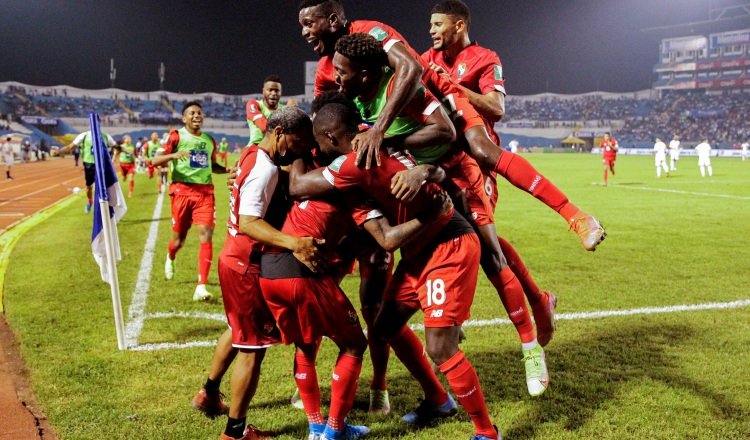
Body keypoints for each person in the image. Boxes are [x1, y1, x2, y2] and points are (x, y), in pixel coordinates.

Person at [333, 35, 549, 395]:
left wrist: (385, 139)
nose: (433, 31)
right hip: (426, 181)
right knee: (413, 268)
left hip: (457, 169)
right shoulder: (363, 97)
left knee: (489, 251)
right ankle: (433, 378)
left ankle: (530, 347)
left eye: (439, 23)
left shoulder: (407, 86)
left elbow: (448, 132)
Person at [298, 0, 605, 252]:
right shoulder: (327, 70)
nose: (304, 32)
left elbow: (412, 67)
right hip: (406, 125)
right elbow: (327, 118)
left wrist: (379, 130)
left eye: (309, 23)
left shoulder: (370, 31)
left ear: (334, 20)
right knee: (475, 234)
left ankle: (576, 216)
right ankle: (533, 304)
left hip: (436, 94)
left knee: (483, 150)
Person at [289, 101, 500, 440]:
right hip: (419, 248)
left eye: (318, 140)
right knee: (385, 324)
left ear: (329, 135)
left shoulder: (351, 162)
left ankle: (487, 433)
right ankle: (438, 400)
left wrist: (296, 148)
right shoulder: (379, 138)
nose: (317, 147)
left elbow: (298, 186)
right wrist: (426, 171)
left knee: (440, 347)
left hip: (448, 243)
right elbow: (439, 172)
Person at [422, 0, 560, 346]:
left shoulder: (486, 58)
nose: (432, 31)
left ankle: (536, 306)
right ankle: (455, 312)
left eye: (439, 24)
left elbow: (496, 108)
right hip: (441, 161)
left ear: (459, 26)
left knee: (484, 245)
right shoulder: (427, 59)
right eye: (431, 24)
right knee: (436, 235)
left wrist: (452, 87)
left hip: (477, 161)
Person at [205, 107, 321, 440]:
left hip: (232, 259)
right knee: (253, 350)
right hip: (245, 265)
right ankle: (236, 432)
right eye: (297, 141)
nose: (298, 149)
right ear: (280, 132)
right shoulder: (263, 169)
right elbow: (249, 222)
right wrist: (294, 242)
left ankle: (209, 393)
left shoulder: (253, 154)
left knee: (238, 331)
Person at [151, 101, 227, 302]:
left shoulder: (210, 140)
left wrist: (227, 170)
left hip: (205, 194)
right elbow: (155, 161)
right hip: (181, 192)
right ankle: (171, 256)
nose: (196, 116)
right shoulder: (176, 136)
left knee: (206, 234)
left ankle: (201, 286)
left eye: (199, 113)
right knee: (178, 240)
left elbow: (212, 166)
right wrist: (174, 155)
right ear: (184, 118)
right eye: (192, 113)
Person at [54, 130, 118, 213]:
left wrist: (124, 151)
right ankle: (90, 201)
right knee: (89, 188)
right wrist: (58, 151)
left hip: (102, 165)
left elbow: (117, 147)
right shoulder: (84, 135)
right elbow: (70, 147)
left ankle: (107, 209)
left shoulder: (105, 136)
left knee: (104, 186)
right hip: (89, 166)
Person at [246, 75, 296, 146]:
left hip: (278, 149)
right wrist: (288, 112)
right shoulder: (253, 104)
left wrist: (294, 111)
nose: (273, 93)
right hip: (256, 147)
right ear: (263, 91)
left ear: (281, 92)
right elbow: (264, 126)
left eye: (277, 90)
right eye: (270, 90)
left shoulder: (284, 109)